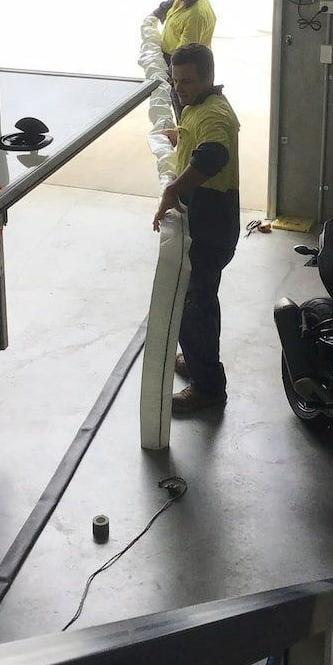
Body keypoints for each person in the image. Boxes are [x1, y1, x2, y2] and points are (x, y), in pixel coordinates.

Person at [153, 43, 239, 412]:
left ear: (209, 77)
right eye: (176, 81)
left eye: (187, 81)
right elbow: (197, 144)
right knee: (202, 301)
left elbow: (214, 154)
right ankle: (199, 360)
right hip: (210, 222)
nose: (179, 88)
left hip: (212, 226)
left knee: (193, 308)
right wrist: (179, 138)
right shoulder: (198, 107)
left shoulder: (213, 115)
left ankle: (208, 390)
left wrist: (173, 189)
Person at [153, 0, 217, 116]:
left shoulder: (196, 16)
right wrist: (158, 13)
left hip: (188, 73)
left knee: (187, 112)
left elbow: (183, 56)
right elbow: (172, 2)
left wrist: (168, 78)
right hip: (176, 66)